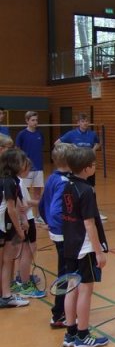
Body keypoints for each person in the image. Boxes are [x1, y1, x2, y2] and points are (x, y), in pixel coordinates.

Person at [62, 147, 109, 347]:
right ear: (86, 168)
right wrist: (98, 252)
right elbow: (89, 224)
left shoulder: (68, 185)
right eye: (94, 164)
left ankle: (70, 332)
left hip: (70, 244)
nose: (95, 166)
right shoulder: (87, 190)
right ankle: (82, 335)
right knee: (85, 291)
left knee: (71, 287)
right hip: (85, 246)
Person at [39, 142, 73, 328]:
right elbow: (55, 210)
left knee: (65, 271)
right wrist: (61, 227)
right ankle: (59, 313)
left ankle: (63, 310)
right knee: (67, 274)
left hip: (57, 232)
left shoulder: (52, 177)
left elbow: (42, 204)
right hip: (63, 234)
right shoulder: (63, 182)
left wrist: (49, 223)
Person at [55, 112, 106, 220]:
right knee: (75, 188)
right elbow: (57, 143)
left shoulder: (92, 134)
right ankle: (75, 211)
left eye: (86, 121)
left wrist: (93, 149)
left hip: (89, 166)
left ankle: (94, 212)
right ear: (78, 123)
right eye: (83, 121)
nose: (85, 123)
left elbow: (98, 143)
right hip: (77, 166)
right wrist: (71, 148)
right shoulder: (71, 134)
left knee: (91, 188)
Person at [0, 148, 30, 308]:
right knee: (7, 260)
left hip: (6, 225)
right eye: (22, 161)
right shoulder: (9, 182)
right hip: (4, 226)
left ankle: (6, 293)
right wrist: (19, 230)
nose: (25, 164)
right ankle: (6, 296)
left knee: (7, 260)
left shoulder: (12, 180)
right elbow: (11, 209)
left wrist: (24, 220)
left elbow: (18, 202)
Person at [12, 158, 46, 299]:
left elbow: (25, 202)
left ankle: (19, 278)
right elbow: (23, 205)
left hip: (21, 220)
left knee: (19, 250)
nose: (29, 170)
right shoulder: (19, 182)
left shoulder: (14, 181)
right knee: (28, 250)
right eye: (28, 167)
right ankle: (25, 285)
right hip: (27, 219)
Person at [15, 111, 44, 224]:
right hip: (26, 169)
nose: (35, 122)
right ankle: (23, 216)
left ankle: (38, 216)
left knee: (37, 193)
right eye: (33, 120)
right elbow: (17, 151)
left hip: (39, 168)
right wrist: (22, 165)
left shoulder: (39, 134)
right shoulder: (22, 134)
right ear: (27, 121)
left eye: (36, 120)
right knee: (24, 193)